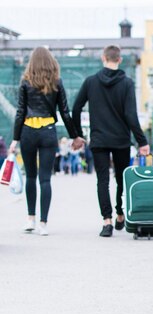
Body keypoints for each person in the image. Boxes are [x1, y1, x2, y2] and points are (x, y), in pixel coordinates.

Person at [72, 44, 149, 237]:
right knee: (122, 179)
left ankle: (106, 222)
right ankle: (120, 214)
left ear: (103, 58)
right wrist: (142, 141)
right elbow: (131, 115)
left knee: (102, 180)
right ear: (120, 59)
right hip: (121, 140)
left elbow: (76, 108)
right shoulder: (127, 84)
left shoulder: (90, 82)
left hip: (98, 139)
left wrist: (79, 134)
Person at [9, 47, 81, 236]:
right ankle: (43, 223)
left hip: (28, 132)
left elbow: (20, 112)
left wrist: (15, 139)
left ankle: (30, 219)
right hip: (48, 132)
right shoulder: (57, 81)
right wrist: (75, 136)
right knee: (45, 179)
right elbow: (65, 112)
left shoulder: (26, 81)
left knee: (30, 176)